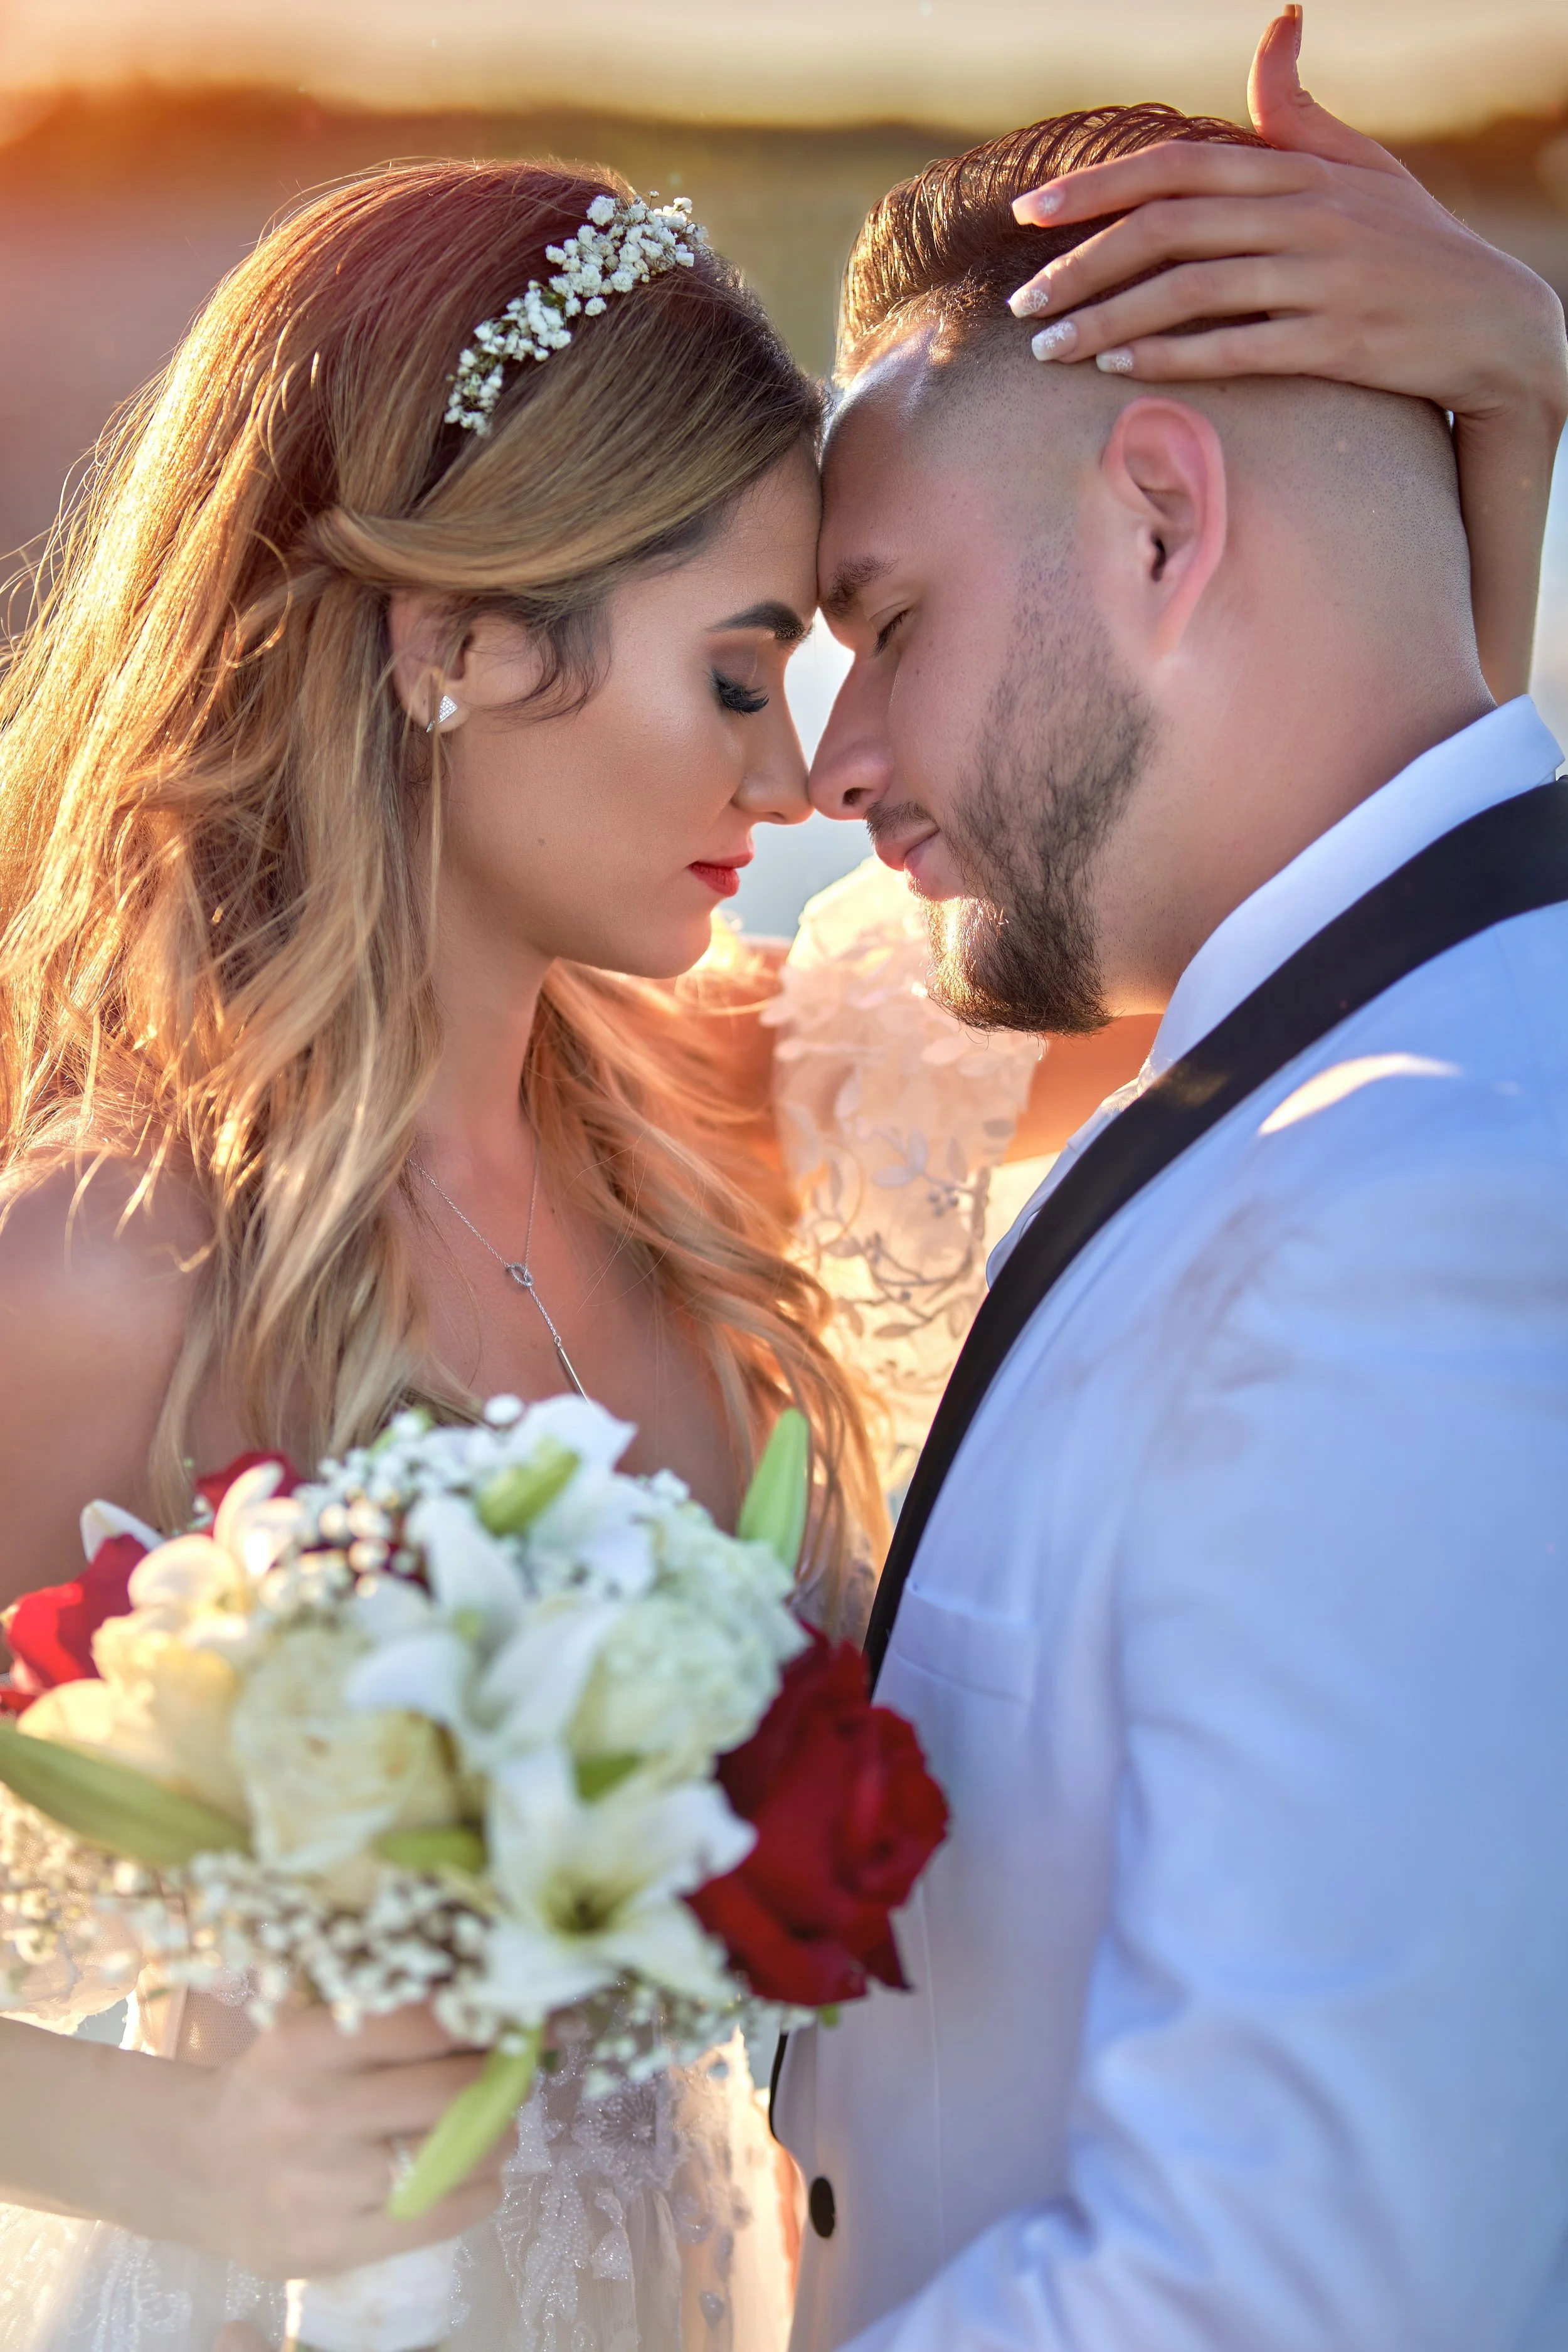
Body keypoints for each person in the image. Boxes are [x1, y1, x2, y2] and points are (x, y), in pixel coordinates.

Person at [0, 14, 1559, 2342]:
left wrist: (1506, 400)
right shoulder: (113, 1271)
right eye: (742, 674)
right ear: (449, 650)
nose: (814, 769)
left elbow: (1334, 934)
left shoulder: (729, 1115)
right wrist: (170, 2142)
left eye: (836, 654)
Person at [778, 21, 1568, 2352]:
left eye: (880, 624)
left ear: (1155, 519)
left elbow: (1296, 2290)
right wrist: (1507, 397)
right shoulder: (1347, 1048)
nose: (830, 764)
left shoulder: (1413, 1209)